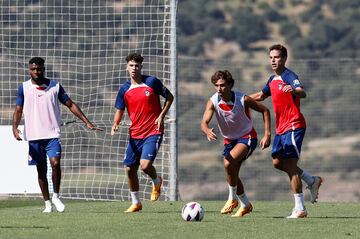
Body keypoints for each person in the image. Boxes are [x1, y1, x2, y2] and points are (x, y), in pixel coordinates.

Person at [12, 57, 102, 213]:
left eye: (38, 69)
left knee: (55, 163)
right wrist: (15, 128)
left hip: (52, 134)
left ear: (43, 69)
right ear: (29, 70)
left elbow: (70, 104)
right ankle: (47, 203)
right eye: (33, 69)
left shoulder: (55, 86)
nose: (36, 71)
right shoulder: (23, 88)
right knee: (41, 170)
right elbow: (18, 110)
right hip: (34, 136)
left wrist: (87, 122)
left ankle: (56, 196)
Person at [250, 44, 323, 218]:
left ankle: (300, 209)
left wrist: (295, 90)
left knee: (290, 165)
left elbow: (302, 92)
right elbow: (261, 96)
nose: (273, 60)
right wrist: (240, 99)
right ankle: (311, 180)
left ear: (284, 59)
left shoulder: (289, 76)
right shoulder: (272, 79)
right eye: (271, 57)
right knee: (277, 162)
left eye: (277, 57)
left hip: (294, 125)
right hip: (281, 128)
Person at [201, 70, 271, 217]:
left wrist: (267, 135)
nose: (219, 89)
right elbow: (204, 122)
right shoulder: (213, 101)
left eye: (222, 85)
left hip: (247, 137)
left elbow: (265, 111)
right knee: (232, 173)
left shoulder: (242, 99)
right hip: (230, 141)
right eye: (216, 85)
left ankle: (232, 199)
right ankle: (245, 204)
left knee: (228, 163)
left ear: (230, 85)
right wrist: (206, 129)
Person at [111, 53, 174, 213]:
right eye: (131, 65)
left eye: (137, 66)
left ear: (141, 67)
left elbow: (170, 97)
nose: (134, 68)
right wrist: (115, 123)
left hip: (153, 130)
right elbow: (120, 109)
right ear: (127, 67)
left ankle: (156, 180)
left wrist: (161, 116)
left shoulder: (151, 82)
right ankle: (136, 202)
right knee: (129, 169)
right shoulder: (124, 89)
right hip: (135, 134)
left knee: (145, 166)